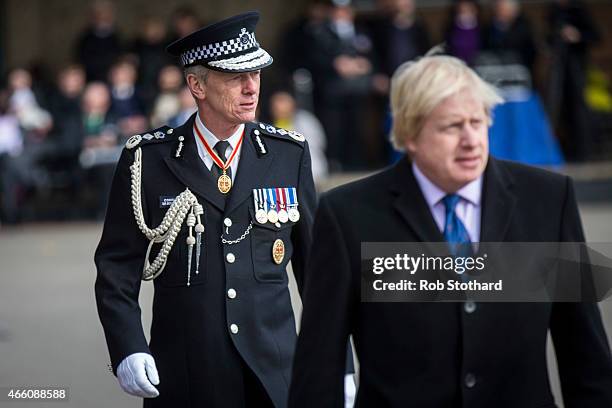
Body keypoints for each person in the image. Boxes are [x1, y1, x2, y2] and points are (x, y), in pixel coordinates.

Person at [289, 55, 612, 407]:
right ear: (409, 134)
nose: (471, 140)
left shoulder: (551, 200)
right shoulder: (346, 215)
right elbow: (318, 368)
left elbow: (586, 354)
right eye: (452, 126)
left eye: (478, 121)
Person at [95, 11, 353, 407]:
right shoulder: (148, 161)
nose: (252, 88)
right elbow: (116, 269)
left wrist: (341, 362)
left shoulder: (287, 154)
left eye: (257, 74)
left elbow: (320, 275)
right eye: (236, 77)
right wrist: (128, 346)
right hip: (187, 374)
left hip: (276, 373)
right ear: (197, 84)